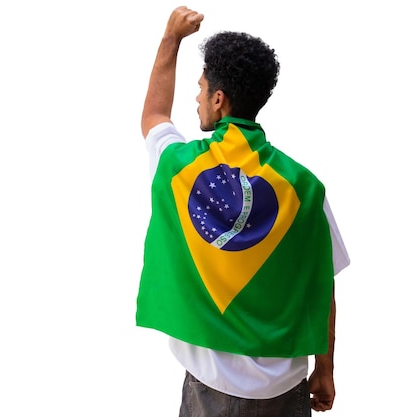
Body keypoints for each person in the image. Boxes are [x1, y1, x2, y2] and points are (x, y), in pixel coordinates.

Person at [136, 6, 350, 416]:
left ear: (219, 99)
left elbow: (154, 116)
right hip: (285, 392)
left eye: (200, 90)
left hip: (208, 394)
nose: (196, 98)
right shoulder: (304, 188)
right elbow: (321, 283)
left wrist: (170, 39)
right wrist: (326, 369)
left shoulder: (180, 169)